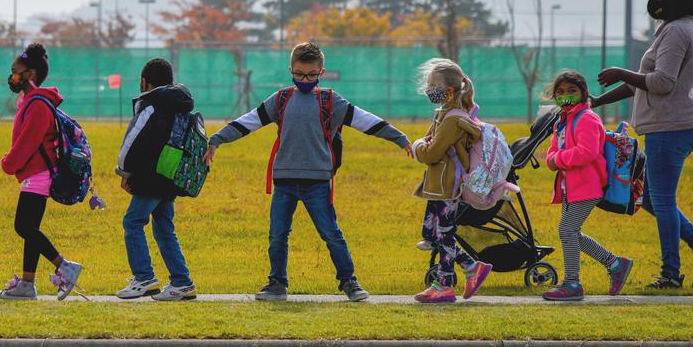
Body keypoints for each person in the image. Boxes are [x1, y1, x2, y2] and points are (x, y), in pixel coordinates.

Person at [204, 42, 411, 302]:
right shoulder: (281, 99)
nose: (305, 79)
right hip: (284, 182)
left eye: (311, 75)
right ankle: (277, 283)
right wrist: (217, 139)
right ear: (290, 69)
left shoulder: (331, 100)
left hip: (318, 182)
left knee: (331, 234)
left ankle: (349, 282)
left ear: (321, 73)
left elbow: (365, 120)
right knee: (277, 234)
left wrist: (400, 138)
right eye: (300, 74)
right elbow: (249, 121)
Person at [592, 0, 693, 290]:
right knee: (652, 199)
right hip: (669, 124)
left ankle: (670, 274)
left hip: (672, 126)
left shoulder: (678, 31)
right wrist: (598, 101)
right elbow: (644, 84)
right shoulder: (674, 29)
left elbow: (662, 82)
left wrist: (621, 72)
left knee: (662, 200)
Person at [0, 43, 84, 300]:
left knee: (23, 226)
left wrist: (7, 163)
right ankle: (26, 284)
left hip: (39, 174)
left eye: (15, 72)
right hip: (35, 174)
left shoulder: (37, 105)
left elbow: (26, 144)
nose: (12, 77)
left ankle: (65, 266)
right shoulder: (30, 101)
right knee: (30, 228)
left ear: (30, 74)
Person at [542, 70, 633, 301]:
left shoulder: (587, 118)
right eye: (560, 92)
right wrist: (552, 159)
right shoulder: (562, 121)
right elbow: (552, 150)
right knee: (572, 232)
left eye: (572, 91)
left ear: (583, 93)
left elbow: (587, 152)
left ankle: (572, 283)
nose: (566, 96)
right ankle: (615, 264)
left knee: (566, 230)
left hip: (587, 185)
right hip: (569, 186)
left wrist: (556, 159)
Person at [411, 58, 492, 303]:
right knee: (431, 233)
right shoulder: (442, 115)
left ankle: (444, 285)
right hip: (436, 186)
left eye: (433, 84)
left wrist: (417, 147)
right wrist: (423, 144)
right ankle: (470, 266)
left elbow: (432, 152)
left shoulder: (453, 119)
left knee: (445, 234)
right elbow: (431, 143)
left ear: (449, 90)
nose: (428, 89)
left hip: (448, 185)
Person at [116, 58, 197, 301]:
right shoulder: (181, 103)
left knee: (132, 221)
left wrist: (123, 171)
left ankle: (144, 278)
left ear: (144, 82)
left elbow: (132, 139)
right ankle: (181, 282)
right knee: (163, 227)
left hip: (150, 176)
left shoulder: (151, 104)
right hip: (171, 175)